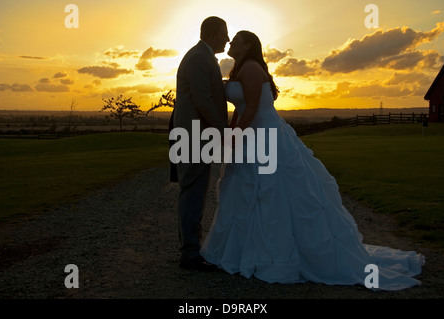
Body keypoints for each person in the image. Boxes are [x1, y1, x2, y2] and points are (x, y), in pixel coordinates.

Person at [200, 30, 425, 290]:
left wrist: (236, 135)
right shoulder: (240, 68)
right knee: (246, 189)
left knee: (271, 192)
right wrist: (232, 132)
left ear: (248, 45)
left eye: (236, 40)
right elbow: (241, 110)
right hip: (253, 132)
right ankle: (244, 250)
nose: (230, 43)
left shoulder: (250, 68)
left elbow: (251, 107)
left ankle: (275, 254)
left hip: (263, 134)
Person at [171, 17, 229, 271]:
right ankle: (190, 254)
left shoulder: (203, 57)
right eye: (224, 34)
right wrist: (223, 129)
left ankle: (192, 248)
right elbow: (203, 100)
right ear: (213, 34)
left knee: (196, 189)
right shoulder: (197, 58)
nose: (227, 39)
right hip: (193, 135)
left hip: (198, 135)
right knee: (193, 190)